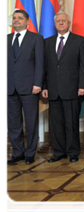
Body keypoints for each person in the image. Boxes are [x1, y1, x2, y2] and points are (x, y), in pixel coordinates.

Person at [42, 12, 84, 163]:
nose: (61, 23)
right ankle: (59, 151)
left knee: (71, 123)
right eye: (58, 21)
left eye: (63, 20)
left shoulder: (80, 41)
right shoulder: (47, 42)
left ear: (69, 23)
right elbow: (45, 67)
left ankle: (73, 151)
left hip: (72, 89)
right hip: (53, 89)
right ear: (55, 24)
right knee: (56, 123)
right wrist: (44, 86)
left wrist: (83, 86)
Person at [5, 10, 44, 165]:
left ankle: (29, 153)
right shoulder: (6, 39)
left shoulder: (36, 39)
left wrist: (37, 84)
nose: (16, 20)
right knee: (13, 123)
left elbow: (40, 63)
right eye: (14, 18)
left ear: (27, 22)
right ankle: (17, 152)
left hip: (29, 88)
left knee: (31, 122)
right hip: (10, 88)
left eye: (20, 18)